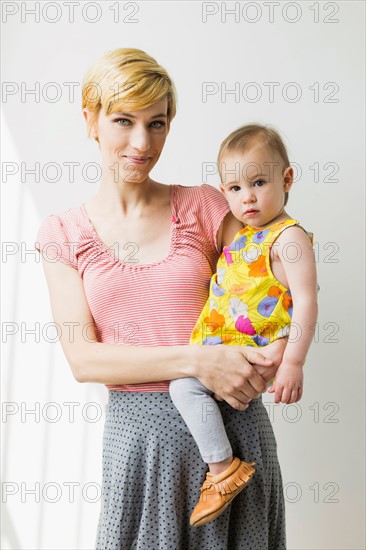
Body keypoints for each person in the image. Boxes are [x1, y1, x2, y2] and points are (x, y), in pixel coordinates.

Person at [35, 48, 288, 549]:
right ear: (90, 120)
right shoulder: (63, 233)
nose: (141, 142)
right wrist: (199, 361)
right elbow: (84, 360)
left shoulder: (207, 205)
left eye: (157, 123)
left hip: (234, 436)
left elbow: (272, 278)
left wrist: (272, 358)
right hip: (140, 450)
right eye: (123, 120)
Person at [169, 124, 318, 528]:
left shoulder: (288, 238)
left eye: (258, 182)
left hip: (251, 351)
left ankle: (222, 470)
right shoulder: (244, 236)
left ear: (286, 180)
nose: (246, 196)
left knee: (181, 386)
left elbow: (306, 301)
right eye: (234, 189)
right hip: (225, 348)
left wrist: (293, 362)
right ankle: (220, 466)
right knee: (187, 385)